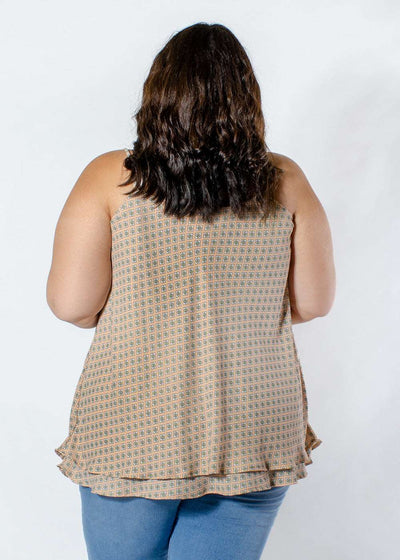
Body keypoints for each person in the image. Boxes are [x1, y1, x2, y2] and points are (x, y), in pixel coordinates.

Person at [46, 22, 335, 560]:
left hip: (133, 420)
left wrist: (147, 307)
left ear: (158, 94)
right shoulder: (285, 180)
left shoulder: (110, 177)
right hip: (252, 421)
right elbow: (313, 302)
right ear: (246, 97)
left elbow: (72, 305)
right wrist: (239, 311)